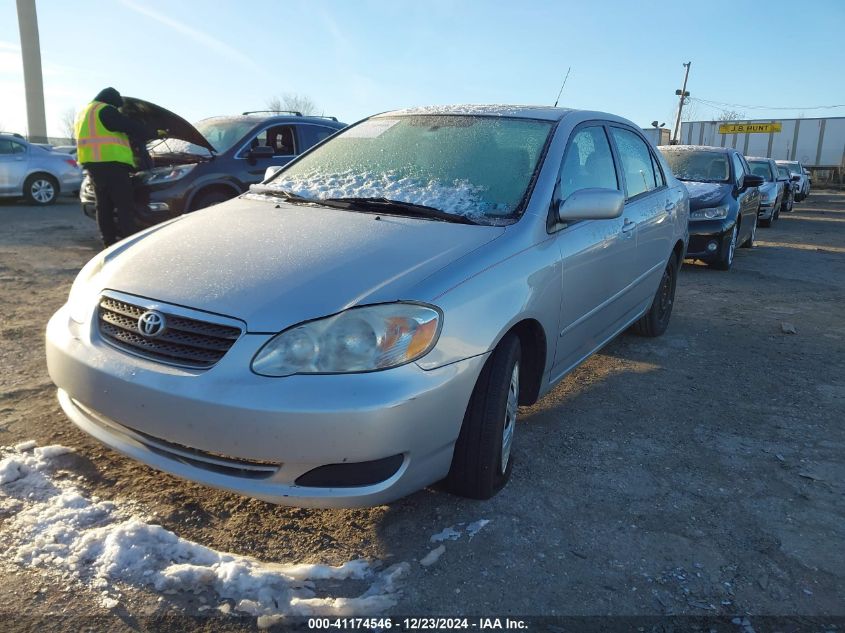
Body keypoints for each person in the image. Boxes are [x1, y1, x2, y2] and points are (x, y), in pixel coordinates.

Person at [75, 87, 154, 247]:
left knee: (103, 206)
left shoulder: (83, 113)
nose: (118, 109)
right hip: (112, 166)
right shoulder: (106, 110)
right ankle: (129, 244)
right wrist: (150, 131)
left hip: (93, 166)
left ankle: (109, 243)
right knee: (124, 205)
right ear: (112, 100)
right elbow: (128, 126)